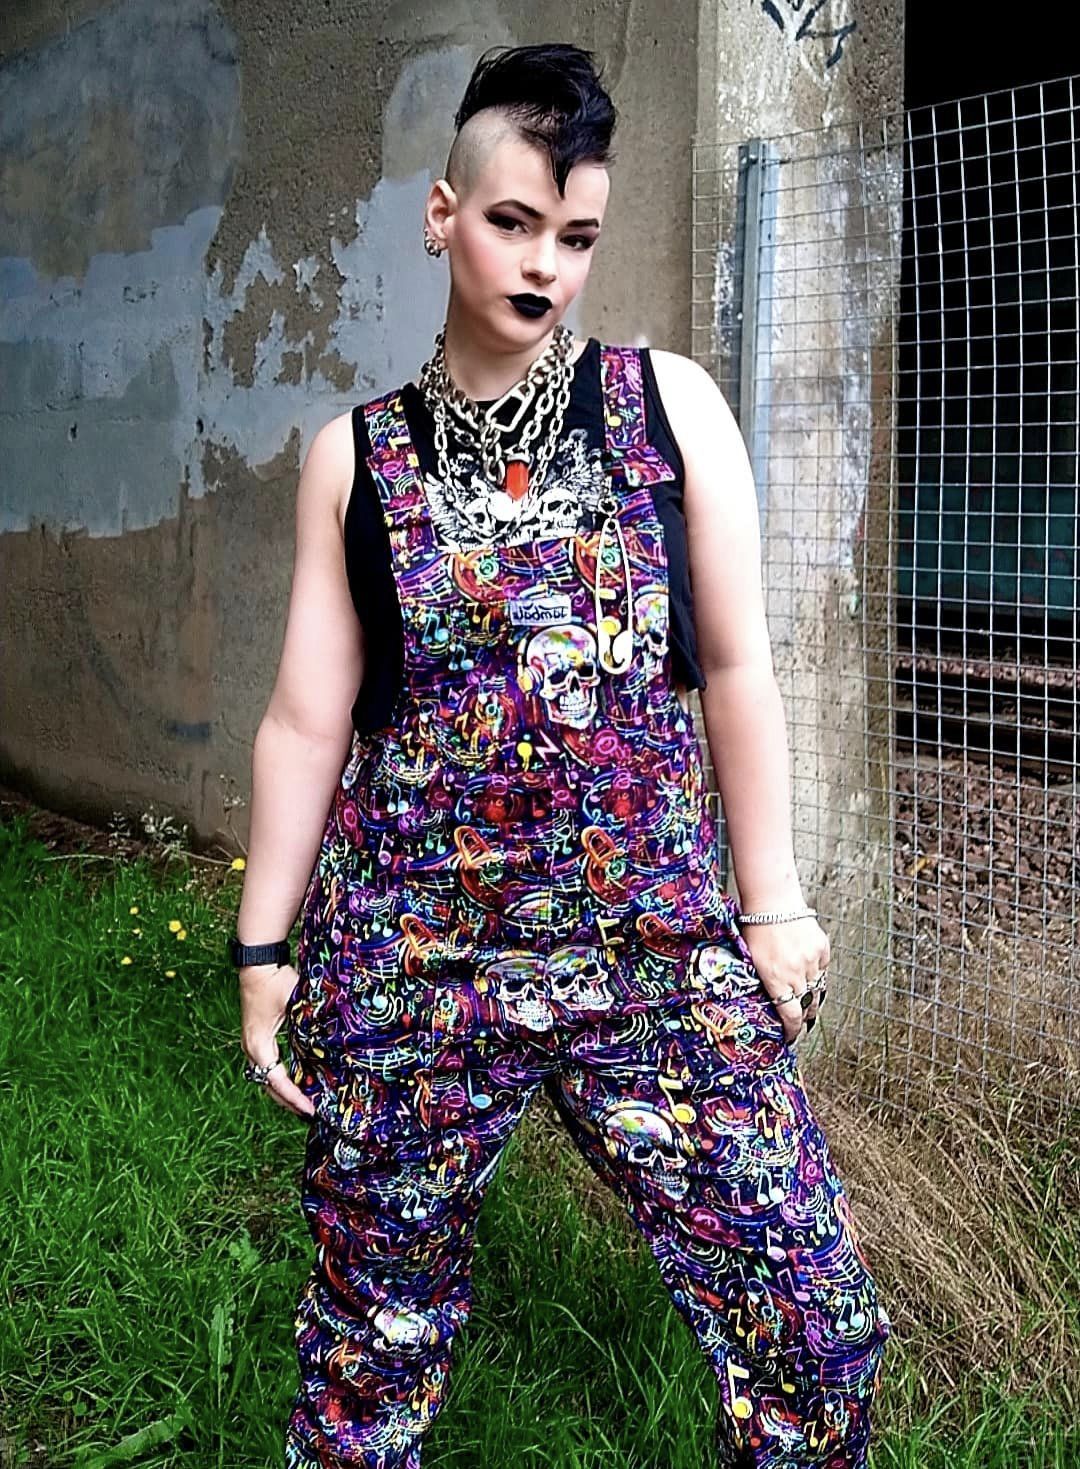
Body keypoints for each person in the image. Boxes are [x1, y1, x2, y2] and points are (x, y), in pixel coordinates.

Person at [232, 41, 890, 1469]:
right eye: (514, 222)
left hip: (651, 948)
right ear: (441, 214)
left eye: (575, 235)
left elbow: (734, 668)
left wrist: (766, 897)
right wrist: (262, 948)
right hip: (416, 964)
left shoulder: (672, 410)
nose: (544, 266)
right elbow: (306, 717)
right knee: (367, 1365)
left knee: (814, 1322)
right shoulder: (357, 458)